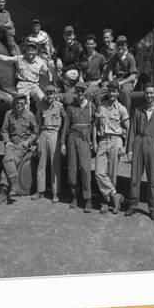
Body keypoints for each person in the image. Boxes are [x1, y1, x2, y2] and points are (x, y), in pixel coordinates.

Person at [125, 83, 154, 220]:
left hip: (152, 145)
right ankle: (133, 205)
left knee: (152, 179)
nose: (149, 95)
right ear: (144, 94)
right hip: (139, 142)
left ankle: (152, 207)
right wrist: (130, 149)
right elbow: (132, 130)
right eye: (147, 93)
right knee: (135, 177)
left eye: (151, 93)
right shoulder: (139, 110)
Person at [0, 93, 38, 204]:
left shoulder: (30, 115)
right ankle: (14, 184)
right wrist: (7, 141)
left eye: (21, 103)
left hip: (22, 145)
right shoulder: (9, 114)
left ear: (25, 104)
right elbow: (4, 130)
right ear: (14, 103)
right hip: (11, 143)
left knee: (7, 160)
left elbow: (35, 132)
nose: (19, 105)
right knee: (8, 159)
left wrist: (28, 142)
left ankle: (3, 191)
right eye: (17, 103)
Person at [93, 81, 128, 214]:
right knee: (99, 173)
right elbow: (95, 125)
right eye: (110, 91)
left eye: (115, 91)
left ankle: (108, 203)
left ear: (118, 93)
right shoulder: (101, 106)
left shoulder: (121, 108)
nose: (112, 93)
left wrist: (125, 145)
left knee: (112, 174)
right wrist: (94, 142)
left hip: (115, 140)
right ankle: (115, 194)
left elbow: (128, 127)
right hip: (102, 140)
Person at [61, 82, 96, 212]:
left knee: (86, 169)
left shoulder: (92, 106)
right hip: (72, 138)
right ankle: (74, 196)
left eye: (82, 91)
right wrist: (63, 143)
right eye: (78, 91)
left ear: (85, 92)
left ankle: (88, 199)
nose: (80, 94)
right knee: (72, 168)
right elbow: (65, 126)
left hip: (85, 139)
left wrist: (94, 141)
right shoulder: (70, 107)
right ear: (75, 92)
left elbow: (95, 125)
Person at [0, 41, 51, 109]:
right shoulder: (20, 58)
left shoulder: (40, 61)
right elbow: (6, 59)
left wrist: (49, 84)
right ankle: (24, 118)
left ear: (36, 52)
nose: (30, 52)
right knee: (23, 104)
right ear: (26, 51)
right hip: (23, 84)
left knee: (42, 99)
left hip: (34, 85)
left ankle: (39, 116)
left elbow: (47, 72)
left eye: (32, 50)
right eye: (29, 50)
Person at [32, 85, 66, 203]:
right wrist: (37, 137)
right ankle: (40, 191)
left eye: (52, 93)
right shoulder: (41, 106)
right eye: (48, 93)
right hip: (43, 133)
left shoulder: (60, 106)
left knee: (54, 164)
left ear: (55, 94)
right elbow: (37, 121)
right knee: (41, 163)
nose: (50, 95)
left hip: (55, 134)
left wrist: (62, 140)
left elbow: (66, 121)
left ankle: (55, 193)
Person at [107, 35, 138, 111]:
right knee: (103, 91)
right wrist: (112, 83)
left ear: (126, 45)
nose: (120, 47)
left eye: (122, 45)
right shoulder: (114, 58)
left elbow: (133, 76)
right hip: (115, 81)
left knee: (125, 92)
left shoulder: (130, 57)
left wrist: (121, 83)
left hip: (126, 81)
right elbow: (110, 73)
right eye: (118, 45)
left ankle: (126, 117)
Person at [79, 34, 106, 99]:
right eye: (88, 44)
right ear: (85, 45)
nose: (89, 46)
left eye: (91, 44)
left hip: (95, 83)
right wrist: (80, 80)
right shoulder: (83, 58)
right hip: (85, 83)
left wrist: (97, 82)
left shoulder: (100, 57)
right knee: (73, 92)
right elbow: (81, 73)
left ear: (95, 45)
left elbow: (105, 73)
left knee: (87, 93)